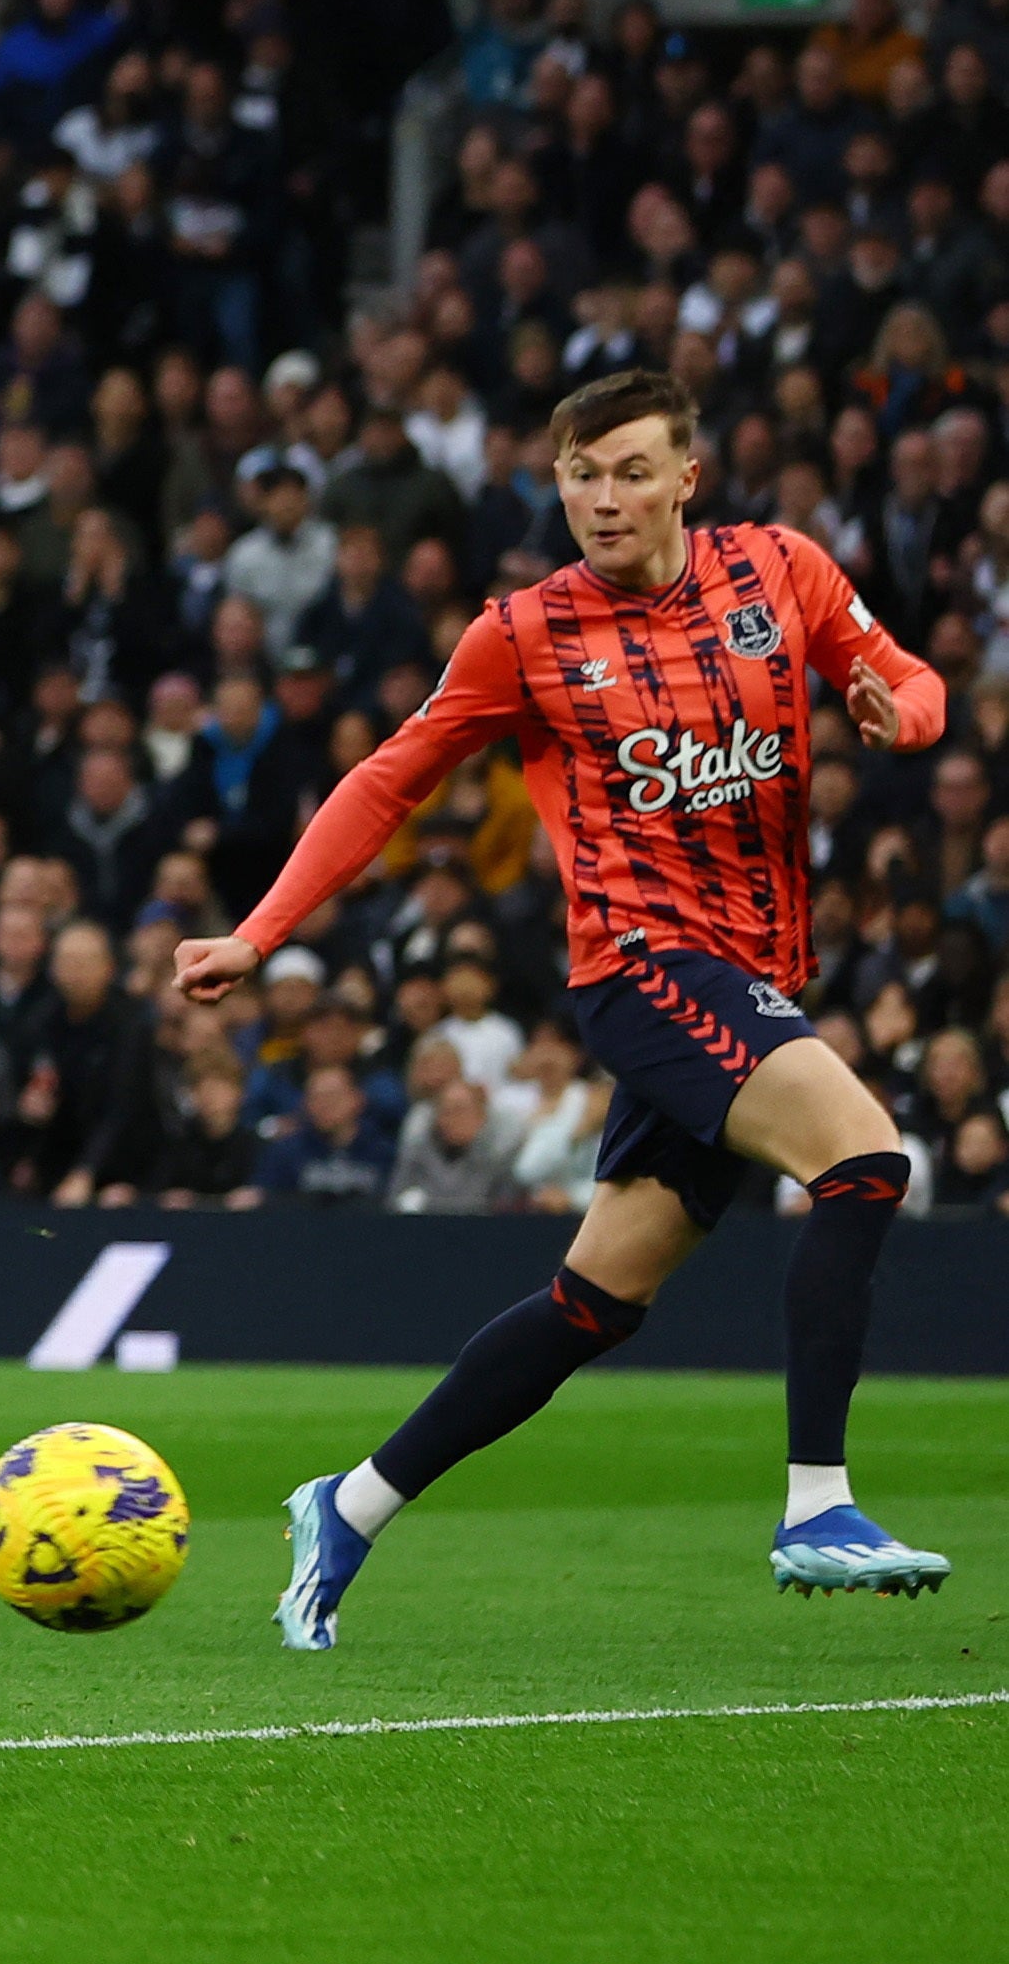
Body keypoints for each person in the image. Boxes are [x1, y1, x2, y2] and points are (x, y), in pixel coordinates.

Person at [174, 368, 952, 1645]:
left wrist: (899, 721)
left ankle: (349, 1505)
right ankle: (818, 1505)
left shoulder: (781, 572)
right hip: (643, 969)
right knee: (863, 1161)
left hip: (755, 976)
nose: (604, 498)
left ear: (685, 477)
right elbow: (389, 779)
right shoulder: (524, 633)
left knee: (596, 1302)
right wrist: (262, 933)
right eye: (581, 474)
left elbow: (910, 675)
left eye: (632, 470)